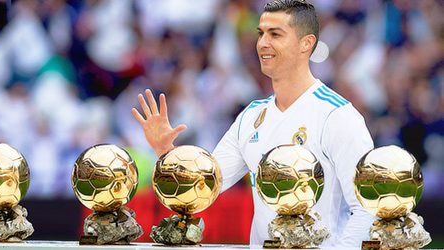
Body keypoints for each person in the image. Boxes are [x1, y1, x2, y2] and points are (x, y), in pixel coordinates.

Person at [132, 0, 375, 247]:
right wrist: (166, 153)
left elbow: (368, 209)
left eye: (275, 34)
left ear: (306, 43)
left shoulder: (337, 116)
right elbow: (205, 188)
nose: (262, 43)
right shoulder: (250, 117)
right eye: (260, 34)